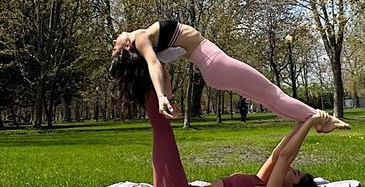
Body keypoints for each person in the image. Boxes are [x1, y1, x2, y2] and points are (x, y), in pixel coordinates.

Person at [109, 19, 349, 132]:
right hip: (216, 64)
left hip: (213, 70)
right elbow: (153, 64)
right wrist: (162, 97)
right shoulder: (140, 37)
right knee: (273, 94)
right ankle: (323, 119)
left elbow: (163, 70)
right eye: (115, 48)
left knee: (268, 99)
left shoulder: (150, 40)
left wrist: (169, 99)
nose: (113, 43)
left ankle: (317, 121)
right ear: (127, 46)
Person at [131, 86, 328, 187]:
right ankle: (149, 67)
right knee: (160, 124)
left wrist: (310, 122)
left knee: (162, 126)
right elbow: (278, 154)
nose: (292, 167)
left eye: (294, 173)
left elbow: (285, 157)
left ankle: (144, 66)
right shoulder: (260, 183)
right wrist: (302, 122)